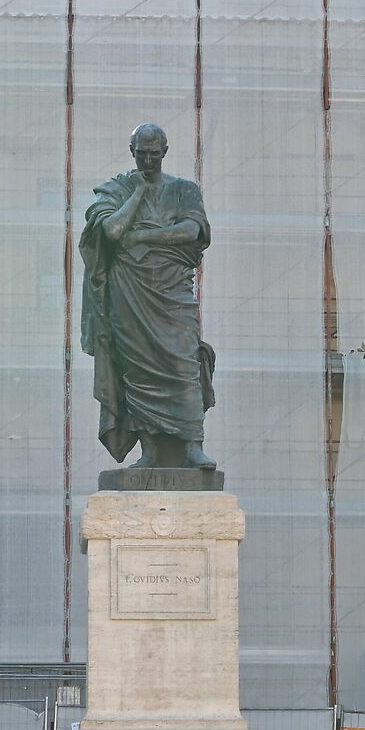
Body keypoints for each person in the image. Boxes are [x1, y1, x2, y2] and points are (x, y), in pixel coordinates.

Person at [79, 123, 217, 470]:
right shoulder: (116, 190)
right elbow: (111, 231)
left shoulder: (184, 189)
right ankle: (150, 451)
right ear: (133, 151)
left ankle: (192, 444)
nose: (149, 160)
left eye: (155, 154)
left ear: (165, 152)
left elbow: (193, 230)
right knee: (136, 370)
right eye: (143, 153)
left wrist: (144, 238)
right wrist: (138, 192)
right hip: (130, 293)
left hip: (173, 293)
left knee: (184, 361)